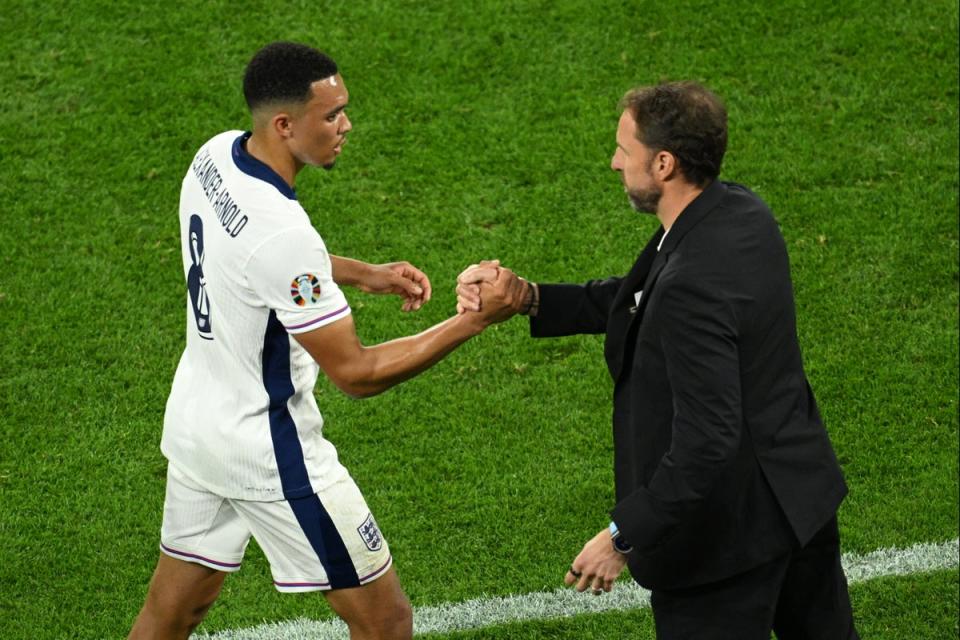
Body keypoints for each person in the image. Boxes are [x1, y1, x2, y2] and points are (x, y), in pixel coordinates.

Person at [128, 42, 512, 640]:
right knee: (386, 622)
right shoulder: (282, 235)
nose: (345, 125)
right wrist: (472, 322)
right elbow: (356, 374)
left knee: (172, 613)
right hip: (271, 454)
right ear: (285, 125)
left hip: (198, 429)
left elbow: (251, 259)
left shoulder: (214, 159)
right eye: (331, 115)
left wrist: (365, 274)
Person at [457, 82, 860, 639]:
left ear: (664, 163)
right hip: (798, 504)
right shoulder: (741, 213)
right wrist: (530, 298)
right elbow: (641, 296)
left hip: (723, 550)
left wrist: (624, 535)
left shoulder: (690, 285)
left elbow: (707, 439)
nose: (614, 162)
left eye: (625, 149)